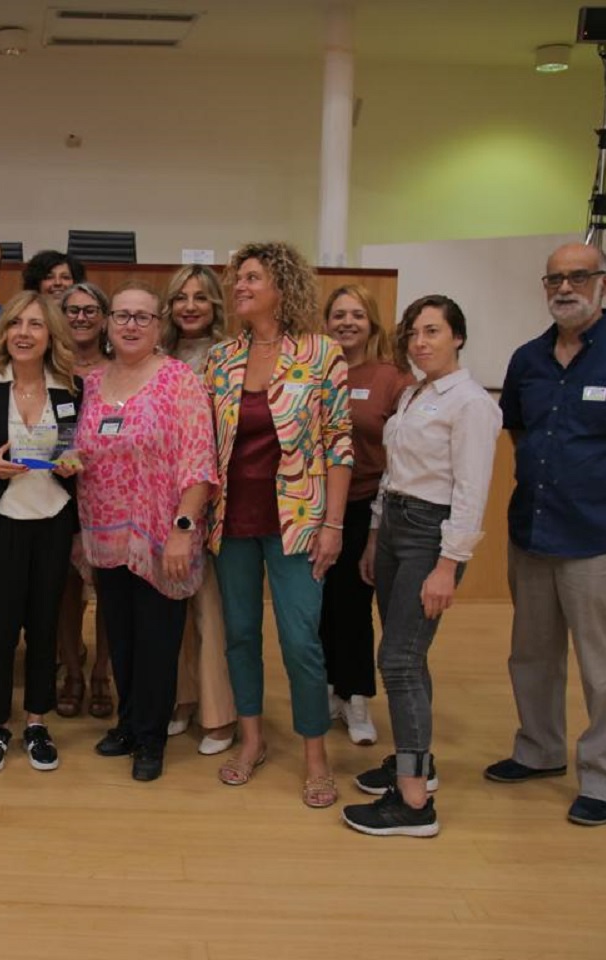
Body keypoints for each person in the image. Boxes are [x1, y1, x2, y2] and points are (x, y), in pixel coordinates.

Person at [484, 243, 606, 827]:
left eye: (578, 277)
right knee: (532, 656)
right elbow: (520, 433)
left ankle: (603, 776)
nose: (564, 288)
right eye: (554, 279)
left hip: (602, 540)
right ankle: (540, 750)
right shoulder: (528, 359)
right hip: (533, 534)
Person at [342, 294, 501, 838]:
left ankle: (412, 804)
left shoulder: (471, 403)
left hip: (432, 537)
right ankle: (418, 765)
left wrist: (446, 564)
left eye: (432, 331)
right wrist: (374, 537)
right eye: (413, 333)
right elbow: (395, 474)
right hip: (395, 529)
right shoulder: (414, 395)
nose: (420, 342)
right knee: (410, 654)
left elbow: (472, 491)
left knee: (400, 659)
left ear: (457, 337)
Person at [204, 242, 351, 809]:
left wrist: (334, 524)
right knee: (240, 635)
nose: (239, 286)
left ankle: (316, 755)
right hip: (231, 520)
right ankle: (252, 741)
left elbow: (339, 442)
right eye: (237, 278)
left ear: (281, 288)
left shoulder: (320, 353)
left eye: (251, 278)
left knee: (300, 641)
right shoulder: (221, 359)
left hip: (298, 521)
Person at [77, 281, 218, 782]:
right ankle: (128, 723)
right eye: (122, 316)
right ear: (108, 325)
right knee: (122, 636)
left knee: (158, 639)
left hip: (162, 534)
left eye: (142, 316)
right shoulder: (93, 383)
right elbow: (84, 449)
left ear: (159, 327)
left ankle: (151, 738)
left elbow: (200, 462)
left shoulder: (180, 380)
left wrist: (183, 528)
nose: (131, 325)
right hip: (105, 532)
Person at [0, 291, 79, 773]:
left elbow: (78, 447)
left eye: (35, 324)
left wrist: (75, 464)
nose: (25, 333)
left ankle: (35, 722)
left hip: (52, 519)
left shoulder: (70, 389)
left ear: (51, 334)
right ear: (3, 332)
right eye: (16, 323)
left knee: (44, 626)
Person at [319, 284, 414, 747]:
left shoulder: (392, 377)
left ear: (372, 323)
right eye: (338, 315)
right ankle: (329, 690)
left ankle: (356, 696)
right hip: (313, 504)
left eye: (357, 314)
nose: (347, 323)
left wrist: (376, 527)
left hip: (366, 506)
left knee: (354, 604)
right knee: (318, 605)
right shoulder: (314, 370)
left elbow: (405, 453)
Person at [163, 265, 237, 755]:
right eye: (181, 298)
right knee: (174, 607)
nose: (190, 306)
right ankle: (181, 698)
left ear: (216, 305)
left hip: (215, 493)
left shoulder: (231, 357)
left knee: (211, 609)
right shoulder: (156, 355)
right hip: (162, 493)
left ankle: (219, 714)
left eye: (201, 298)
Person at [55, 281, 113, 719]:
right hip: (57, 492)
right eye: (71, 310)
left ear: (104, 317)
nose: (80, 317)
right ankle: (72, 672)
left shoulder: (118, 368)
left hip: (111, 493)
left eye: (90, 310)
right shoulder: (49, 367)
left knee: (108, 591)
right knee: (65, 591)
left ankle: (101, 674)